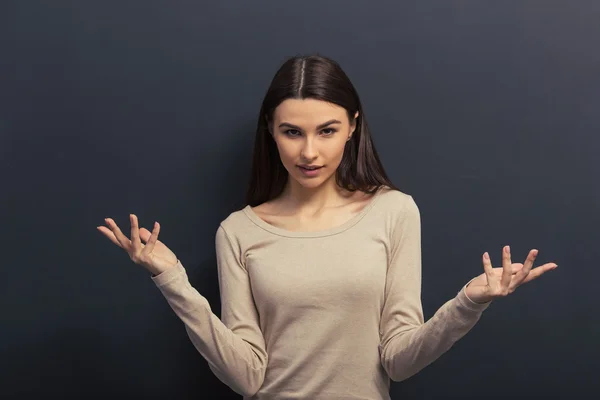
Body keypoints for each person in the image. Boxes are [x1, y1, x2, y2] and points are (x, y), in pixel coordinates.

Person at [97, 54, 558, 400]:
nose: (309, 153)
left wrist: (469, 303)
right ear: (271, 132)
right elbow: (247, 376)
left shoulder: (393, 212)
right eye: (292, 132)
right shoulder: (239, 232)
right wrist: (173, 280)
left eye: (327, 130)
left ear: (353, 127)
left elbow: (398, 361)